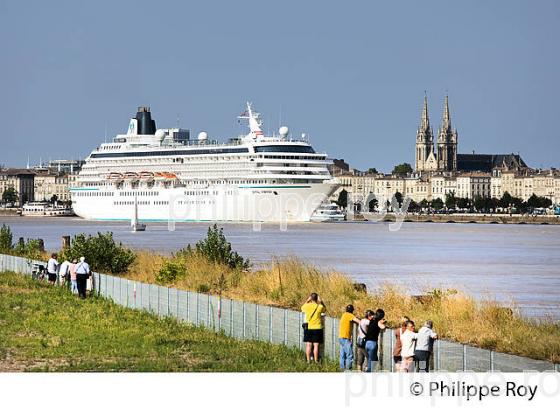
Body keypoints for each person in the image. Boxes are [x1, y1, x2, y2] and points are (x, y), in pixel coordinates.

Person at [301, 293, 326, 363]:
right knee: (316, 345)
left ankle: (308, 361)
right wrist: (321, 301)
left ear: (311, 298)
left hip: (309, 327)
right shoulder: (320, 306)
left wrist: (307, 300)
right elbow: (325, 309)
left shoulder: (307, 306)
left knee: (308, 345)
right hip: (317, 328)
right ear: (317, 298)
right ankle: (316, 361)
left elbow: (302, 308)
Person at [338, 304, 361, 370]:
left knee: (342, 355)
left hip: (341, 337)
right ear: (352, 311)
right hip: (345, 338)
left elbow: (352, 321)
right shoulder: (350, 315)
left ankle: (342, 369)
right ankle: (348, 370)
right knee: (349, 355)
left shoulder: (344, 314)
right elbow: (358, 321)